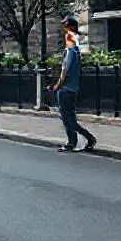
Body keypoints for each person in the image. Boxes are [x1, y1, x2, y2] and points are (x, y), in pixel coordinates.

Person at [49, 15, 96, 153]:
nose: (65, 31)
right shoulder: (75, 50)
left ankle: (88, 138)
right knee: (68, 118)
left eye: (66, 27)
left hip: (66, 89)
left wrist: (58, 85)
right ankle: (71, 142)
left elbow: (65, 69)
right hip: (72, 88)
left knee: (68, 119)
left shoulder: (71, 51)